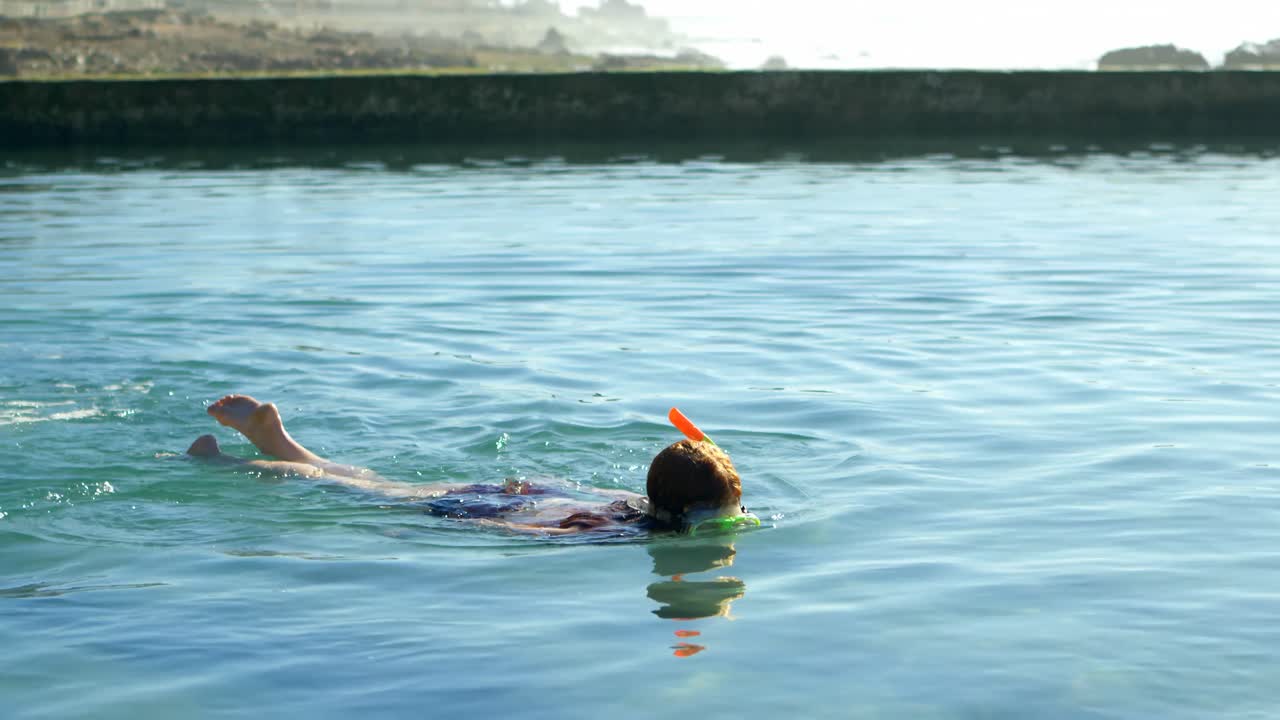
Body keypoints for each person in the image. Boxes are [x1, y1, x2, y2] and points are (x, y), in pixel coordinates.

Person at [187, 395, 757, 536]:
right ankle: (228, 462)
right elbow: (528, 533)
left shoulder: (639, 507)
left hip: (511, 488)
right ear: (695, 514)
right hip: (483, 505)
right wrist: (468, 524)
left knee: (376, 483)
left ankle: (278, 439)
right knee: (374, 495)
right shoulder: (618, 534)